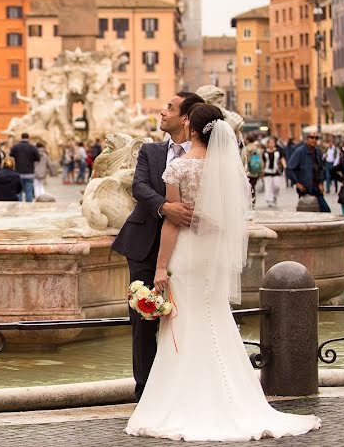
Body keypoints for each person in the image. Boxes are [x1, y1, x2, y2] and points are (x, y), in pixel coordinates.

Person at [125, 103, 321, 441]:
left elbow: (173, 222)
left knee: (182, 323)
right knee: (215, 318)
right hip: (212, 257)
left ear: (193, 129)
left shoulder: (180, 168)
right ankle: (233, 397)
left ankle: (182, 400)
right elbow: (231, 221)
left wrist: (160, 266)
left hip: (186, 254)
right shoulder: (229, 173)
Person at [112, 91, 204, 401]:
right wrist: (166, 207)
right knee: (143, 317)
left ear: (186, 118)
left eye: (170, 107)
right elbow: (138, 187)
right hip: (144, 245)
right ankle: (145, 390)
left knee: (185, 315)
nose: (162, 112)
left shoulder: (204, 155)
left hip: (187, 247)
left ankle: (182, 384)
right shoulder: (150, 151)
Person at [286, 133, 329, 212]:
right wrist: (297, 183)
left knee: (325, 211)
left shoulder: (317, 152)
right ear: (307, 139)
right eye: (311, 138)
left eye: (316, 138)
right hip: (305, 188)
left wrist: (321, 183)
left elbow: (321, 168)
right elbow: (289, 168)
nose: (314, 140)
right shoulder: (300, 151)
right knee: (307, 212)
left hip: (316, 188)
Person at [9, 133, 40, 202]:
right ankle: (28, 206)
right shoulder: (33, 147)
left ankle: (19, 205)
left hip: (18, 173)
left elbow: (11, 156)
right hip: (29, 173)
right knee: (29, 191)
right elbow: (38, 158)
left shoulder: (15, 147)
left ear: (21, 137)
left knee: (19, 191)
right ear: (28, 138)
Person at [261, 138, 285, 208]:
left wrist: (285, 166)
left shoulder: (278, 151)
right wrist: (262, 172)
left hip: (276, 171)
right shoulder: (265, 152)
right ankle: (270, 200)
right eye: (270, 143)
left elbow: (282, 159)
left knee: (277, 186)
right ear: (267, 144)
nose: (271, 144)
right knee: (268, 187)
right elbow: (263, 162)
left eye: (273, 143)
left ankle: (274, 196)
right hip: (267, 172)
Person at [245, 137, 263, 207]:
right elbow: (260, 161)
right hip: (255, 172)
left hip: (247, 172)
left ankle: (248, 201)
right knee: (253, 186)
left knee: (247, 187)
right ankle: (253, 200)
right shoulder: (257, 150)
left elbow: (242, 160)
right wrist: (261, 170)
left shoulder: (245, 149)